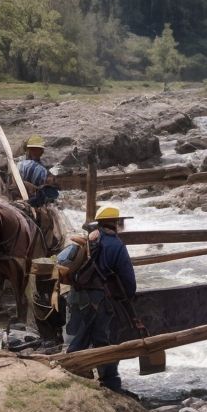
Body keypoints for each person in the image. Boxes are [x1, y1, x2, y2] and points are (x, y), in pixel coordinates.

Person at [64, 205, 138, 393]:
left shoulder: (90, 239)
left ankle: (77, 370)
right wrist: (127, 298)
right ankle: (109, 381)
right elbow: (128, 279)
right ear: (115, 223)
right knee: (102, 339)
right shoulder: (116, 245)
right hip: (99, 299)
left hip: (77, 295)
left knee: (82, 334)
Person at [17, 135, 59, 208]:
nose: (42, 152)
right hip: (31, 198)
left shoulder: (20, 164)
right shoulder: (41, 170)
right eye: (39, 150)